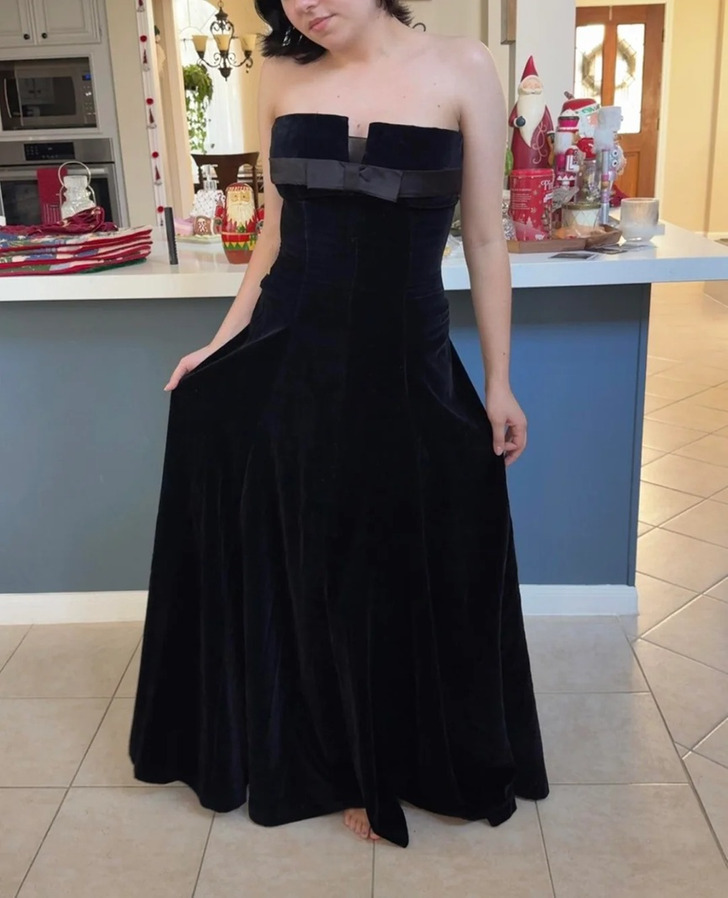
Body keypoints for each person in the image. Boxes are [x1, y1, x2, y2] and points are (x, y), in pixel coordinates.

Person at [129, 0, 549, 848]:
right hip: (292, 354)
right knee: (307, 552)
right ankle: (324, 758)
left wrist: (500, 383)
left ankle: (396, 753)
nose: (308, 3)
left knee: (400, 554)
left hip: (406, 363)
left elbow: (484, 238)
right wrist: (220, 344)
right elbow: (272, 238)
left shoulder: (465, 67)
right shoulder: (281, 73)